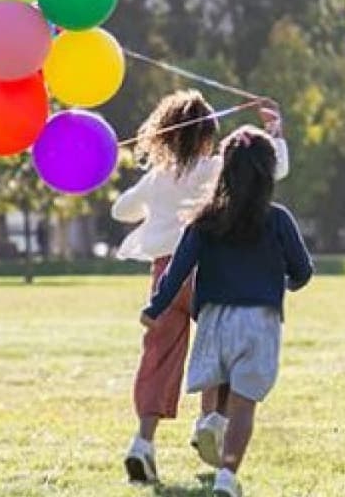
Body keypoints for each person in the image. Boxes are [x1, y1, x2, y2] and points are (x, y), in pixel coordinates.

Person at [113, 89, 289, 483]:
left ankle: (143, 442)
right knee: (222, 350)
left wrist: (153, 198)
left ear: (166, 135)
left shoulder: (157, 178)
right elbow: (273, 170)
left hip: (165, 276)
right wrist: (275, 131)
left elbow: (120, 210)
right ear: (208, 136)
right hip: (210, 273)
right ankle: (211, 421)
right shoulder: (215, 169)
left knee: (158, 357)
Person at [140, 125, 313, 497]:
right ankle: (227, 476)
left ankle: (211, 421)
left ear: (224, 169)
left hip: (215, 317)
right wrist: (284, 283)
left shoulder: (204, 220)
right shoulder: (278, 218)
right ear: (268, 172)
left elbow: (177, 270)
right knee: (245, 401)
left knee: (220, 378)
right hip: (260, 319)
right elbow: (303, 270)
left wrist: (155, 307)